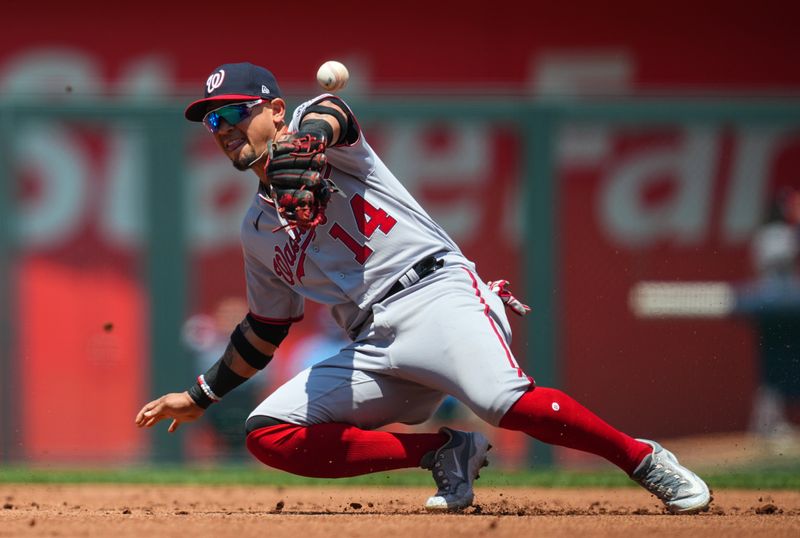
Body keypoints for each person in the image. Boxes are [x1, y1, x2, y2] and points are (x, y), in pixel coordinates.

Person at [135, 62, 711, 514]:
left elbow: (334, 111)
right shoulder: (257, 229)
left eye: (234, 110)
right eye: (214, 122)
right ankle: (443, 451)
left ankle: (642, 460)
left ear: (275, 110)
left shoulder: (321, 130)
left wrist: (305, 142)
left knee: (501, 402)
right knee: (268, 433)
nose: (226, 128)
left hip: (435, 294)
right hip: (373, 345)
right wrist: (202, 396)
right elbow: (266, 325)